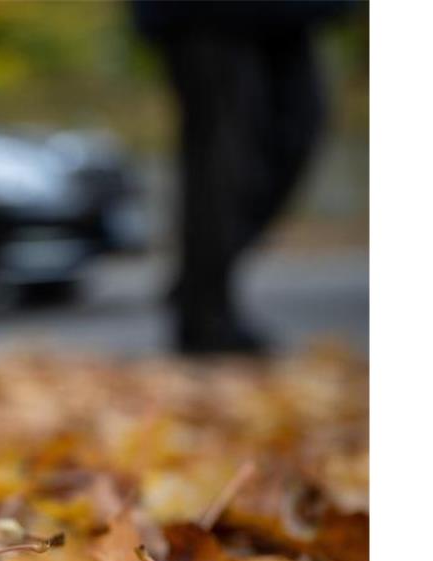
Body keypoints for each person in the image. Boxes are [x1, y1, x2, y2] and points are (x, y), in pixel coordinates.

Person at [133, 0, 350, 354]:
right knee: (224, 157)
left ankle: (199, 281)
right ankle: (206, 316)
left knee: (300, 127)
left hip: (290, 15)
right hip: (205, 14)